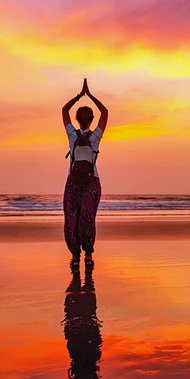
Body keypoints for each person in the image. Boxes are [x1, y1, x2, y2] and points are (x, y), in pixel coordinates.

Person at [61, 78, 108, 267]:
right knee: (87, 219)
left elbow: (64, 110)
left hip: (74, 183)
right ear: (91, 120)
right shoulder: (96, 135)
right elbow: (105, 112)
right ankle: (88, 255)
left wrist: (79, 96)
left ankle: (75, 255)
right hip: (91, 181)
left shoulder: (72, 134)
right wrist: (90, 95)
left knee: (71, 219)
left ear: (77, 119)